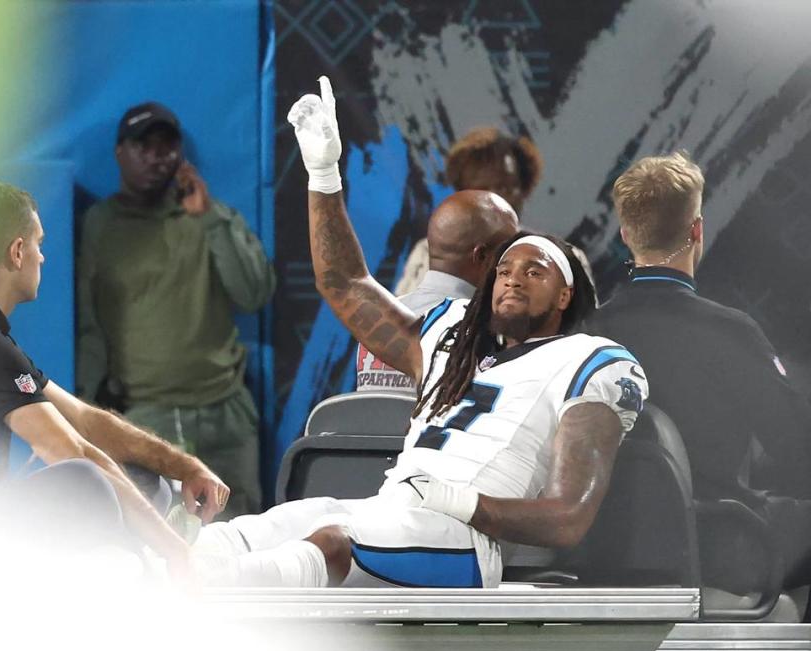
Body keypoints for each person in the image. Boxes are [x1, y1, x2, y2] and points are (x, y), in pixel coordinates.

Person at [188, 77, 648, 589]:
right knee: (242, 534)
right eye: (504, 267)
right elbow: (344, 282)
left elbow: (568, 517)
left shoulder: (593, 360)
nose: (514, 275)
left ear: (565, 295)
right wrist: (322, 175)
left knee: (329, 544)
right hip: (394, 511)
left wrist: (461, 501)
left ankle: (200, 615)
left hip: (463, 540)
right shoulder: (449, 331)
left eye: (535, 270)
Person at [0, 181, 229, 572]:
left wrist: (186, 467)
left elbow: (87, 421)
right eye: (39, 244)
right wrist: (177, 551)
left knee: (141, 476)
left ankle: (134, 558)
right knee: (88, 483)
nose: (43, 257)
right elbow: (74, 450)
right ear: (17, 252)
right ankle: (144, 561)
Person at [587, 151, 811, 592]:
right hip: (717, 546)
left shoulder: (587, 333)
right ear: (696, 229)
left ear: (627, 235)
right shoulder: (731, 332)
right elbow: (798, 449)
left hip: (603, 550)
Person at [77, 102, 276, 516]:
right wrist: (89, 408)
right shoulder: (100, 224)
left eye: (166, 146)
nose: (155, 156)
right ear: (120, 153)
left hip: (225, 414)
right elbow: (88, 322)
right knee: (153, 543)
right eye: (142, 146)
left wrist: (208, 218)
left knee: (241, 540)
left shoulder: (210, 217)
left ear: (181, 155)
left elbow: (255, 292)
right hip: (146, 419)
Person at [356, 190, 518, 393]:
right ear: (483, 256)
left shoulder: (377, 319)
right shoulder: (481, 331)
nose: (514, 269)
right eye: (509, 254)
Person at [394, 126, 543, 295]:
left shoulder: (557, 258)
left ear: (524, 189)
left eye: (504, 188)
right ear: (461, 194)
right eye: (481, 190)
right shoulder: (430, 253)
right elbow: (410, 316)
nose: (494, 201)